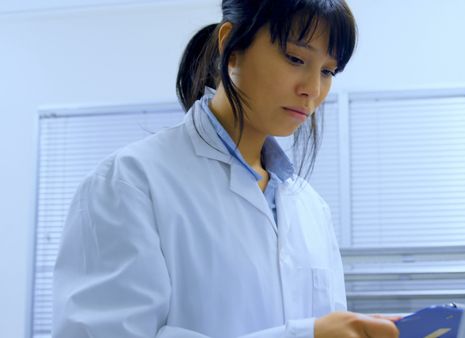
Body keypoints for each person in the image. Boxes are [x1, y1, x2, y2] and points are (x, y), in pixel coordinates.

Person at [52, 0, 400, 337]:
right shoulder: (130, 183)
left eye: (327, 71)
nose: (312, 89)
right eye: (296, 58)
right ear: (231, 47)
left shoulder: (310, 207)